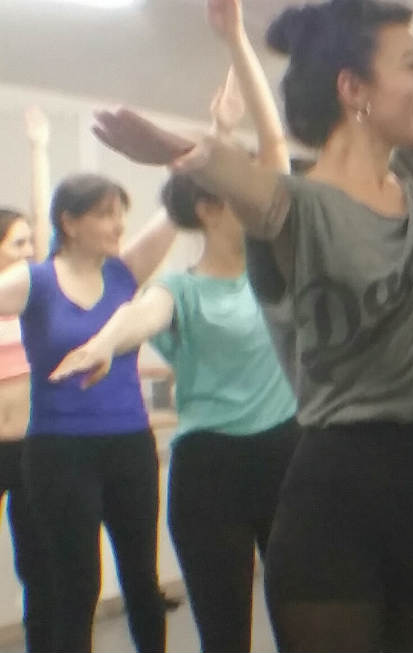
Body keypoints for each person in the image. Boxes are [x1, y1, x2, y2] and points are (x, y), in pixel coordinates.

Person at [89, 0, 413, 649]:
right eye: (411, 65)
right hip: (339, 486)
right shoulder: (296, 207)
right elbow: (250, 183)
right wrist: (184, 150)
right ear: (353, 89)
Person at [51, 4, 298, 647]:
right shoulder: (181, 289)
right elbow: (142, 313)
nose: (257, 196)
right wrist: (103, 343)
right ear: (211, 209)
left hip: (286, 457)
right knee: (224, 633)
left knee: (306, 626)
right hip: (209, 471)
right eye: (237, 190)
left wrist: (236, 41)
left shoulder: (277, 270)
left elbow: (274, 149)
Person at [0, 158, 177, 651]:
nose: (118, 226)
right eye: (104, 214)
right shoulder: (35, 280)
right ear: (70, 223)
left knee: (142, 581)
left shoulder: (125, 272)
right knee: (76, 586)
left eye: (120, 214)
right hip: (60, 451)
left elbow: (175, 209)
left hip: (129, 445)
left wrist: (210, 146)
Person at [0, 106, 54, 653]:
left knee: (38, 565)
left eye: (30, 244)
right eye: (17, 244)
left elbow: (44, 220)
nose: (29, 251)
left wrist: (39, 149)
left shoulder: (33, 295)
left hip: (33, 449)